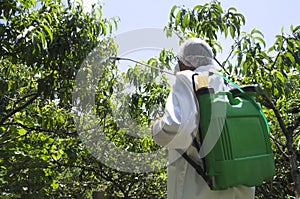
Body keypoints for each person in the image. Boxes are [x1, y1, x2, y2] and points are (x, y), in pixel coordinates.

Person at [151, 38, 255, 199]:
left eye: (179, 61)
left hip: (200, 190)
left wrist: (157, 127)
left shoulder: (189, 79)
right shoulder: (230, 86)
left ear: (187, 62)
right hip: (240, 191)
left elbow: (175, 128)